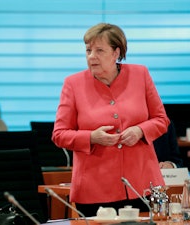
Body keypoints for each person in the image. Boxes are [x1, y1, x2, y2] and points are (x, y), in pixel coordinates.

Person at [51, 23, 170, 216]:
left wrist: (140, 130)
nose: (91, 56)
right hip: (94, 188)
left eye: (99, 50)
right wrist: (91, 137)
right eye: (88, 50)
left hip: (141, 185)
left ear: (116, 53)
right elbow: (59, 135)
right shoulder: (73, 84)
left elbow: (161, 119)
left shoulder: (140, 74)